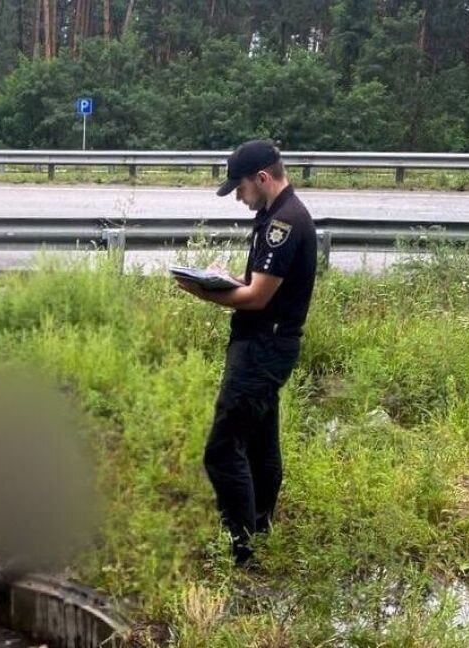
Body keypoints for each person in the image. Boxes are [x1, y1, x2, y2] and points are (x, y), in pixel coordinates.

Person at [175, 140, 318, 565]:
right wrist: (227, 278)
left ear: (262, 178)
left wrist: (205, 292)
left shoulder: (285, 223)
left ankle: (240, 548)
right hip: (269, 343)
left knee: (222, 448)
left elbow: (257, 298)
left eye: (240, 188)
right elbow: (264, 283)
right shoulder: (277, 214)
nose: (238, 196)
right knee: (258, 440)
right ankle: (259, 525)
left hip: (262, 347)